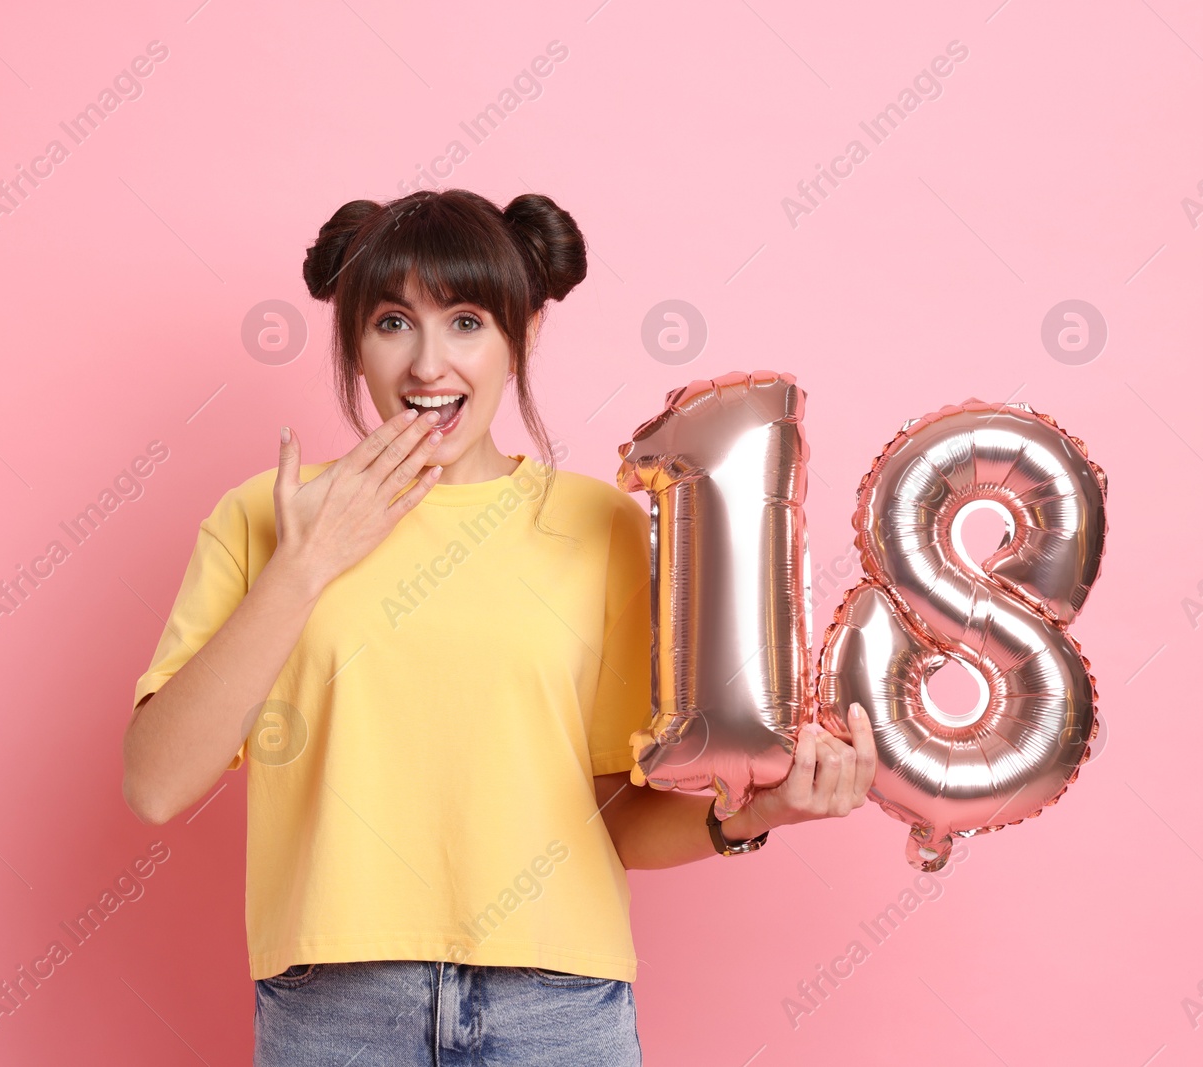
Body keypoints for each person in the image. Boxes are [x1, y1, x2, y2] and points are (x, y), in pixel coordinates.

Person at [121, 188, 876, 1066]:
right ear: (353, 341)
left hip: (555, 1009)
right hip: (337, 1011)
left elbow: (616, 818)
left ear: (524, 333)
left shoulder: (600, 528)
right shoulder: (268, 515)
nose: (428, 365)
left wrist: (759, 813)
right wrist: (304, 566)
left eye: (468, 321)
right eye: (394, 322)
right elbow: (156, 782)